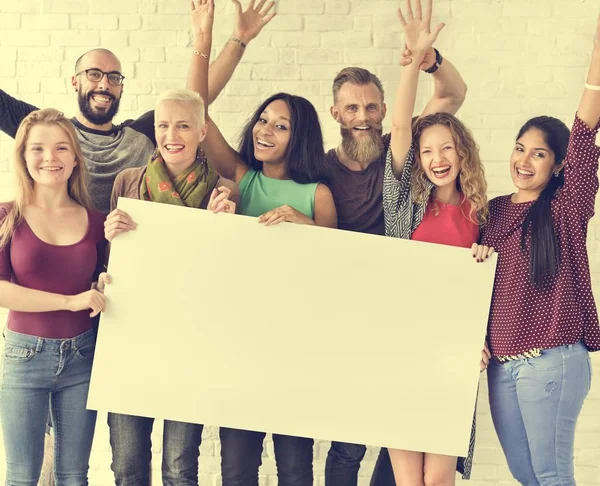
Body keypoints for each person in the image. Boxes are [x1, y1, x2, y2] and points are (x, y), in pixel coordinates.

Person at [184, 1, 336, 484]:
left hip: (296, 350)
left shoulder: (318, 195)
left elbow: (342, 268)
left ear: (300, 137)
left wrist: (305, 226)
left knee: (295, 471)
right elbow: (193, 109)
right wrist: (215, 42)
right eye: (263, 120)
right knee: (237, 471)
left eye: (281, 125)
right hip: (240, 344)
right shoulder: (241, 178)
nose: (265, 130)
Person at [323, 12, 469, 486]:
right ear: (336, 114)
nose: (362, 117)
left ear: (384, 110)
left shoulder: (402, 166)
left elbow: (450, 97)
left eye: (371, 107)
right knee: (350, 440)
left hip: (409, 316)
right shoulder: (322, 169)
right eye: (352, 108)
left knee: (408, 447)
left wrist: (425, 59)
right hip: (354, 316)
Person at [472, 14, 600, 486]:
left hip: (551, 359)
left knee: (550, 475)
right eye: (520, 148)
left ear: (560, 163)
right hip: (502, 365)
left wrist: (595, 61)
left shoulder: (566, 207)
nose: (524, 161)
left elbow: (585, 130)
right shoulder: (494, 210)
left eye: (539, 153)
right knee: (527, 476)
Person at [103, 87, 237, 485]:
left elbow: (230, 278)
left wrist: (227, 231)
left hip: (191, 343)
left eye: (182, 125)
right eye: (163, 125)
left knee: (180, 468)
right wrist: (110, 239)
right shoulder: (128, 181)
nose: (171, 134)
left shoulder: (224, 189)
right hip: (131, 337)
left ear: (202, 130)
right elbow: (108, 267)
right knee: (127, 467)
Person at [381, 0, 491, 484]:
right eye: (428, 152)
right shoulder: (406, 202)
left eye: (446, 147)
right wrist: (413, 60)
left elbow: (485, 288)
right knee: (410, 480)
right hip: (402, 343)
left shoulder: (481, 213)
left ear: (462, 151)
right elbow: (403, 125)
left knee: (439, 478)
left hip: (453, 349)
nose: (437, 158)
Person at [0, 108, 109, 485]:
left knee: (74, 476)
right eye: (39, 149)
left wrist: (102, 288)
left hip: (83, 356)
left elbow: (106, 287)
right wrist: (69, 301)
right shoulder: (6, 216)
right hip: (23, 356)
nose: (50, 158)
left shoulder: (97, 222)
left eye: (62, 148)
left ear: (75, 157)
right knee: (21, 475)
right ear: (23, 156)